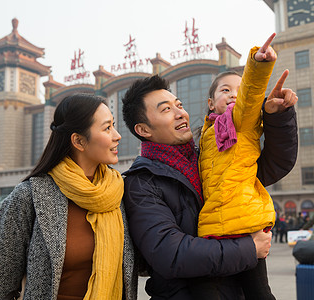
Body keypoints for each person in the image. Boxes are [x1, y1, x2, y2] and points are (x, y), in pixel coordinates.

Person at [121, 52, 298, 299]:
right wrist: (249, 249)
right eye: (166, 110)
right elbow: (169, 253)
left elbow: (273, 166)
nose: (180, 113)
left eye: (179, 105)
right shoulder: (140, 183)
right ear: (143, 129)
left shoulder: (206, 156)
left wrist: (277, 118)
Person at [0, 94, 137, 300]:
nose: (117, 135)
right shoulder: (29, 196)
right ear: (78, 140)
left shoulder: (119, 193)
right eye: (107, 128)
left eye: (113, 125)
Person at [197, 33, 297, 300]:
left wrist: (258, 64)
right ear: (210, 103)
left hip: (246, 224)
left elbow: (252, 95)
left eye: (237, 91)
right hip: (216, 226)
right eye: (225, 90)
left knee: (259, 293)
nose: (233, 95)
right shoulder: (206, 136)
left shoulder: (241, 121)